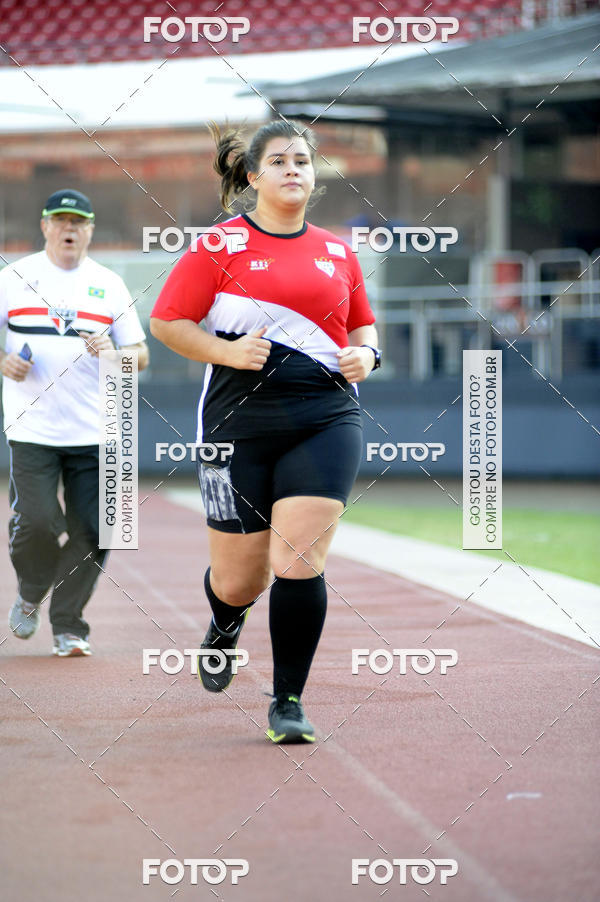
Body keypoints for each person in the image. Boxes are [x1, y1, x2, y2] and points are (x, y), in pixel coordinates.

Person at [150, 121, 381, 743]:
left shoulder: (338, 251)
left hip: (327, 416)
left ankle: (288, 701)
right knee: (239, 580)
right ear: (252, 176)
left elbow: (362, 331)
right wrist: (226, 354)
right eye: (278, 161)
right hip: (236, 425)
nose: (292, 170)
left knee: (297, 560)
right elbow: (168, 321)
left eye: (302, 161)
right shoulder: (217, 245)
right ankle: (225, 621)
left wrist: (370, 357)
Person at [0, 188, 149, 656]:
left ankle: (69, 625)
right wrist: (4, 360)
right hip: (33, 429)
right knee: (39, 522)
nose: (69, 229)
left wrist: (114, 354)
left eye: (79, 222)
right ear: (45, 226)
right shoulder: (15, 277)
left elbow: (140, 357)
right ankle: (29, 593)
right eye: (61, 221)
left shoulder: (109, 284)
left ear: (90, 231)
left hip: (99, 431)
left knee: (100, 529)